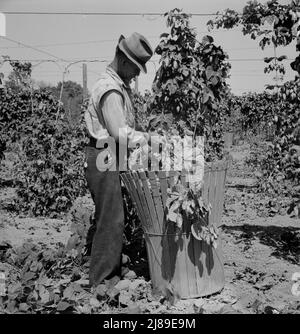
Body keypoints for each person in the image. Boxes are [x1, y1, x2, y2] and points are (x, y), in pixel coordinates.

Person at [84, 32, 154, 286]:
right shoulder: (110, 89)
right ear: (123, 60)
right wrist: (149, 139)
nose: (136, 75)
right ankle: (102, 282)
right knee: (110, 219)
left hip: (109, 155)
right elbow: (120, 134)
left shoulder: (117, 86)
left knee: (115, 216)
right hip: (103, 155)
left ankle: (110, 269)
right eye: (136, 69)